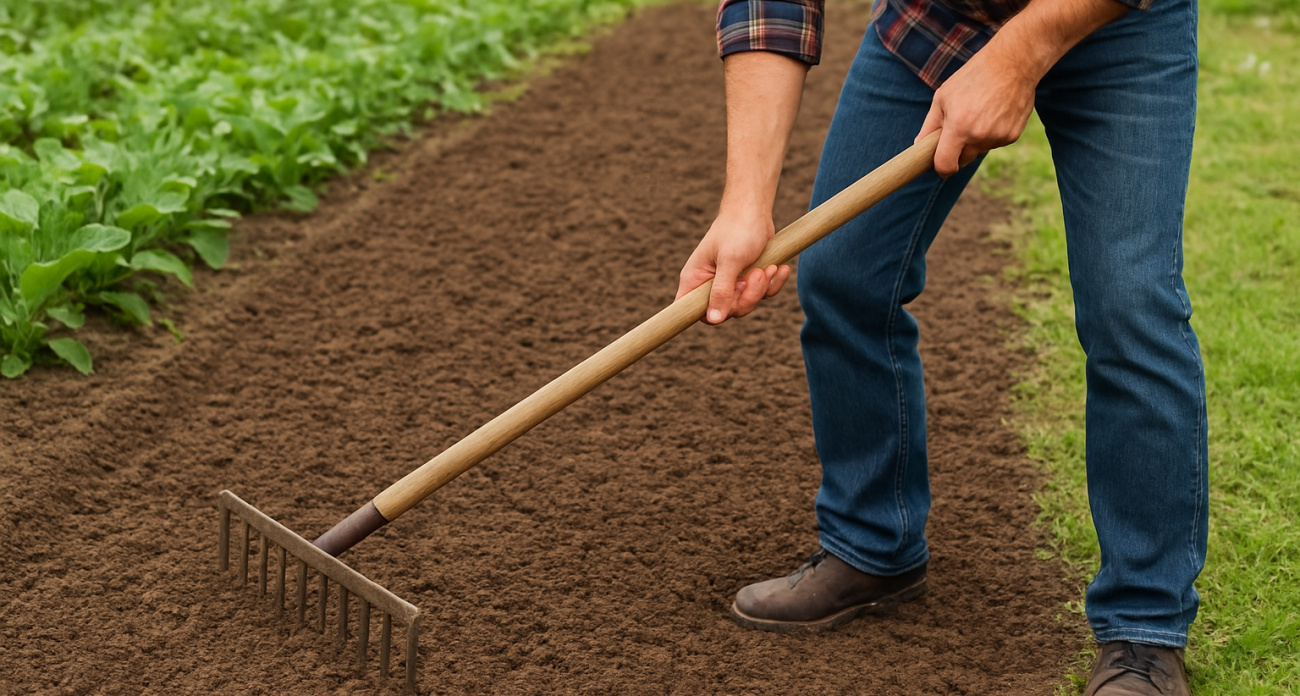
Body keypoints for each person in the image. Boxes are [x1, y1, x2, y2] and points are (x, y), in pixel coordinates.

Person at [675, 0, 1208, 693]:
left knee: (1129, 304)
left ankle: (1144, 625)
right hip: (942, 18)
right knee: (844, 271)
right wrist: (745, 201)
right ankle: (873, 542)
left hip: (1118, 21)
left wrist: (1018, 56)